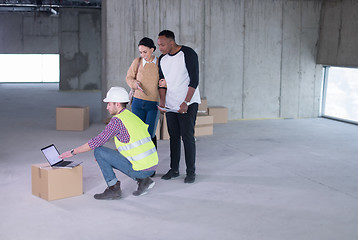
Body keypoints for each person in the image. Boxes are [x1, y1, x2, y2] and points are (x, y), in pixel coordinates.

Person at [59, 87, 158, 200]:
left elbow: (96, 142)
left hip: (141, 169)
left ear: (117, 104)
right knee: (103, 154)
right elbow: (134, 144)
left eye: (109, 104)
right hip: (151, 166)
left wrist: (72, 152)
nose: (107, 107)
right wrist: (109, 156)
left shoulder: (117, 121)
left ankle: (113, 189)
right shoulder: (131, 116)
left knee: (99, 151)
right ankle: (144, 181)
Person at [157, 30, 201, 184]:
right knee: (174, 137)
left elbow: (194, 80)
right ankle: (174, 169)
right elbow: (161, 83)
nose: (160, 48)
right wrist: (162, 101)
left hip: (188, 103)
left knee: (187, 137)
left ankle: (191, 172)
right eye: (158, 45)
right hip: (171, 104)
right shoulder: (162, 59)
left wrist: (186, 102)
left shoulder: (188, 54)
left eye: (162, 44)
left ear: (171, 42)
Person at [126, 37, 160, 149]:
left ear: (152, 49)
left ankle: (151, 163)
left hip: (153, 104)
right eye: (140, 52)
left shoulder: (160, 63)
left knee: (149, 135)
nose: (142, 55)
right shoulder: (137, 62)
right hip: (137, 103)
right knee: (137, 134)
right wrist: (135, 84)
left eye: (145, 52)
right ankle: (138, 162)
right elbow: (129, 77)